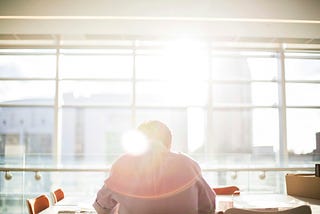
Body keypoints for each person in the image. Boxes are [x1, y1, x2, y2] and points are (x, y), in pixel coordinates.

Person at [93, 120, 216, 214]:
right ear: (169, 143)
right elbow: (209, 207)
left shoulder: (123, 164)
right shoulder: (188, 164)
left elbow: (101, 207)